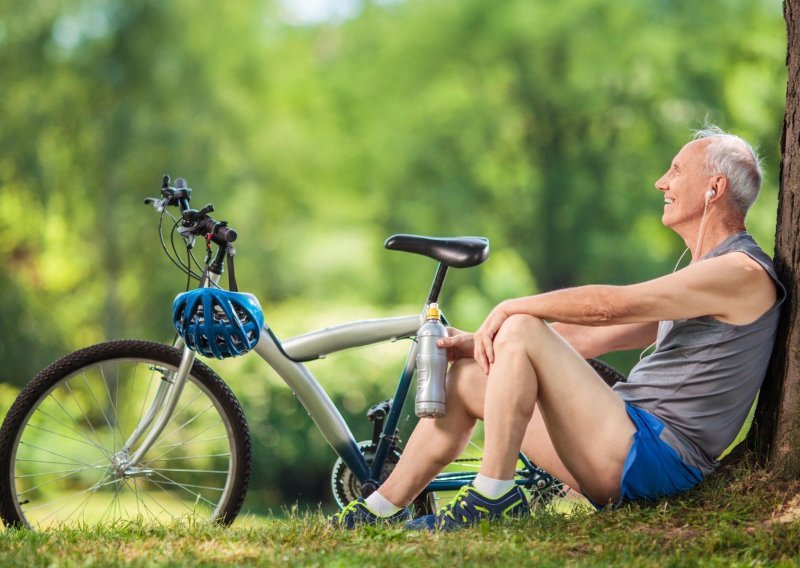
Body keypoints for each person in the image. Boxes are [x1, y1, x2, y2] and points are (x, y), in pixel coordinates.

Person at [330, 125, 785, 531]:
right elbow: (586, 338)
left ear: (714, 188)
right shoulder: (704, 277)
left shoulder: (739, 273)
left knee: (525, 325)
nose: (661, 182)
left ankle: (494, 495)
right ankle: (380, 508)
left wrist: (513, 310)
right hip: (622, 443)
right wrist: (481, 343)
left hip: (653, 458)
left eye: (676, 170)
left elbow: (611, 308)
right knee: (468, 378)